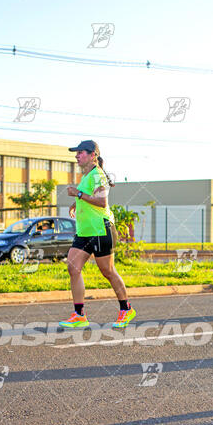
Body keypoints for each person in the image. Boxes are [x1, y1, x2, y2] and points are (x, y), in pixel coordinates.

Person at [59, 140, 136, 329]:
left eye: (80, 152)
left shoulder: (98, 175)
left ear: (93, 155)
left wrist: (77, 195)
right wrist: (77, 204)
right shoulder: (86, 176)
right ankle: (79, 315)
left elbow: (101, 202)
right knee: (73, 267)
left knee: (107, 271)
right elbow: (89, 196)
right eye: (76, 153)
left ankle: (126, 309)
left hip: (101, 230)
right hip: (84, 232)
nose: (77, 156)